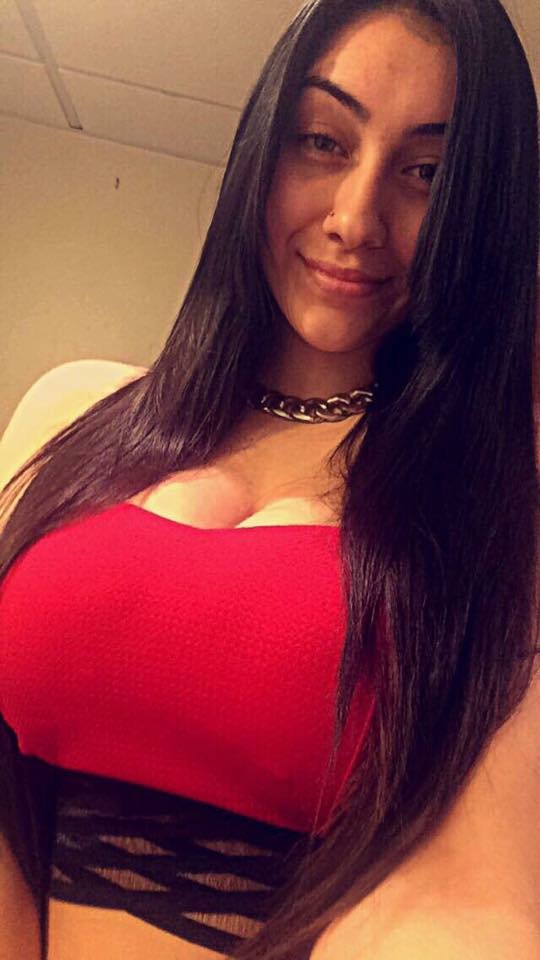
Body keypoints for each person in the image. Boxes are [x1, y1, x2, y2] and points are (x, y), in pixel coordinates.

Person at [0, 0, 538, 958]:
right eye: (323, 142)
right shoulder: (72, 414)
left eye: (427, 173)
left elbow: (480, 901)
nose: (355, 219)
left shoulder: (489, 510)